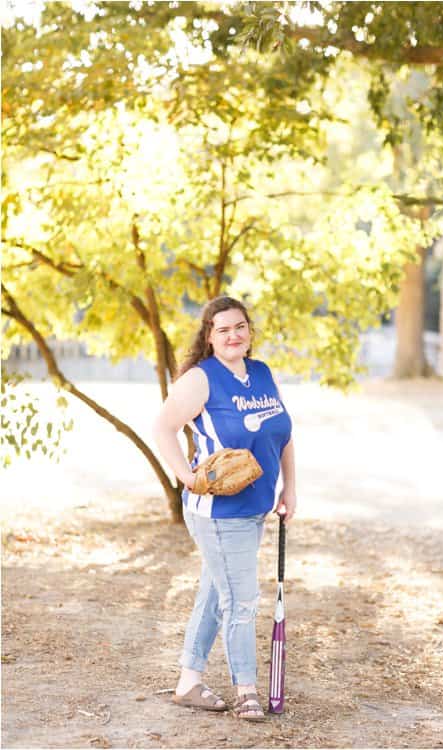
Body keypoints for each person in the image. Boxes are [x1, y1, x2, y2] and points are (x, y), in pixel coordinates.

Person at [153, 296, 295, 721]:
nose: (233, 335)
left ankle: (188, 682)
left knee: (217, 593)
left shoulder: (263, 373)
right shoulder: (201, 379)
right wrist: (187, 475)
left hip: (256, 508)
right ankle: (247, 690)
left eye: (240, 327)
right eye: (223, 329)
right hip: (218, 513)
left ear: (249, 331)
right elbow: (163, 428)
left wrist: (290, 488)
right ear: (209, 337)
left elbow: (284, 435)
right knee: (242, 600)